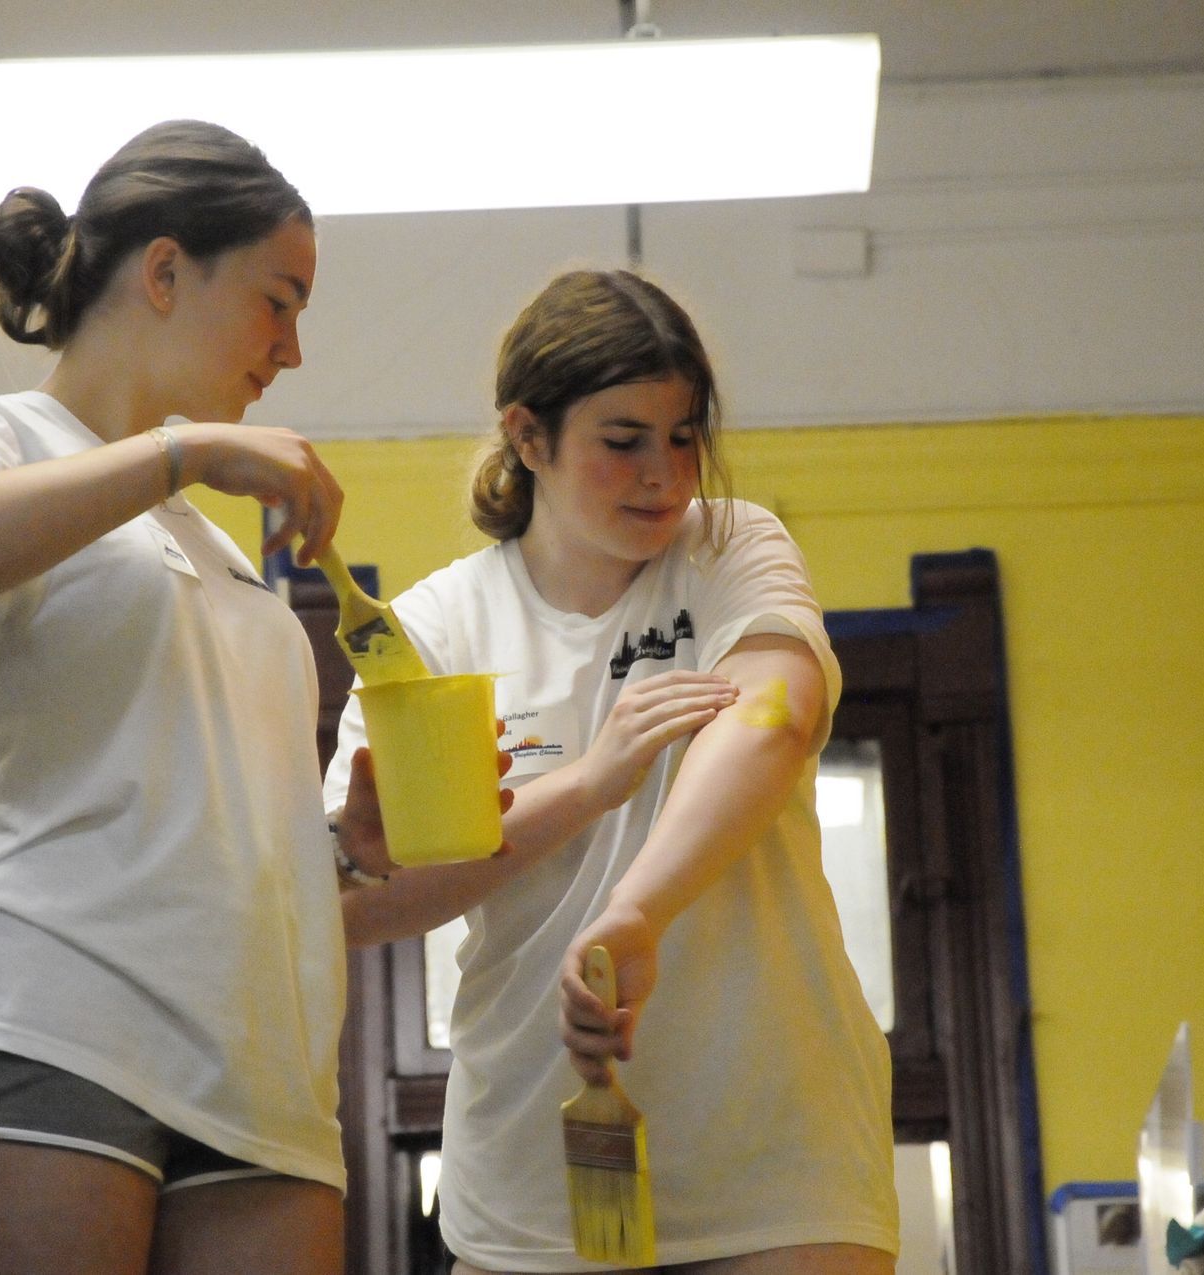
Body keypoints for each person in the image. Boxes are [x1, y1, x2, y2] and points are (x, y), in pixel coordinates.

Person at [0, 119, 366, 1275]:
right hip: (55, 1027)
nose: (290, 351)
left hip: (259, 1074)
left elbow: (197, 821)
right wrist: (178, 453)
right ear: (162, 271)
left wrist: (347, 847)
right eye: (278, 301)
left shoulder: (209, 545)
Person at [324, 269, 899, 1273]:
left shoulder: (730, 546)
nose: (664, 477)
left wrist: (637, 911)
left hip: (780, 1164)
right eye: (622, 441)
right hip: (532, 1193)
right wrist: (590, 782)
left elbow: (773, 716)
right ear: (528, 436)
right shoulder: (436, 627)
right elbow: (358, 908)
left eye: (684, 438)